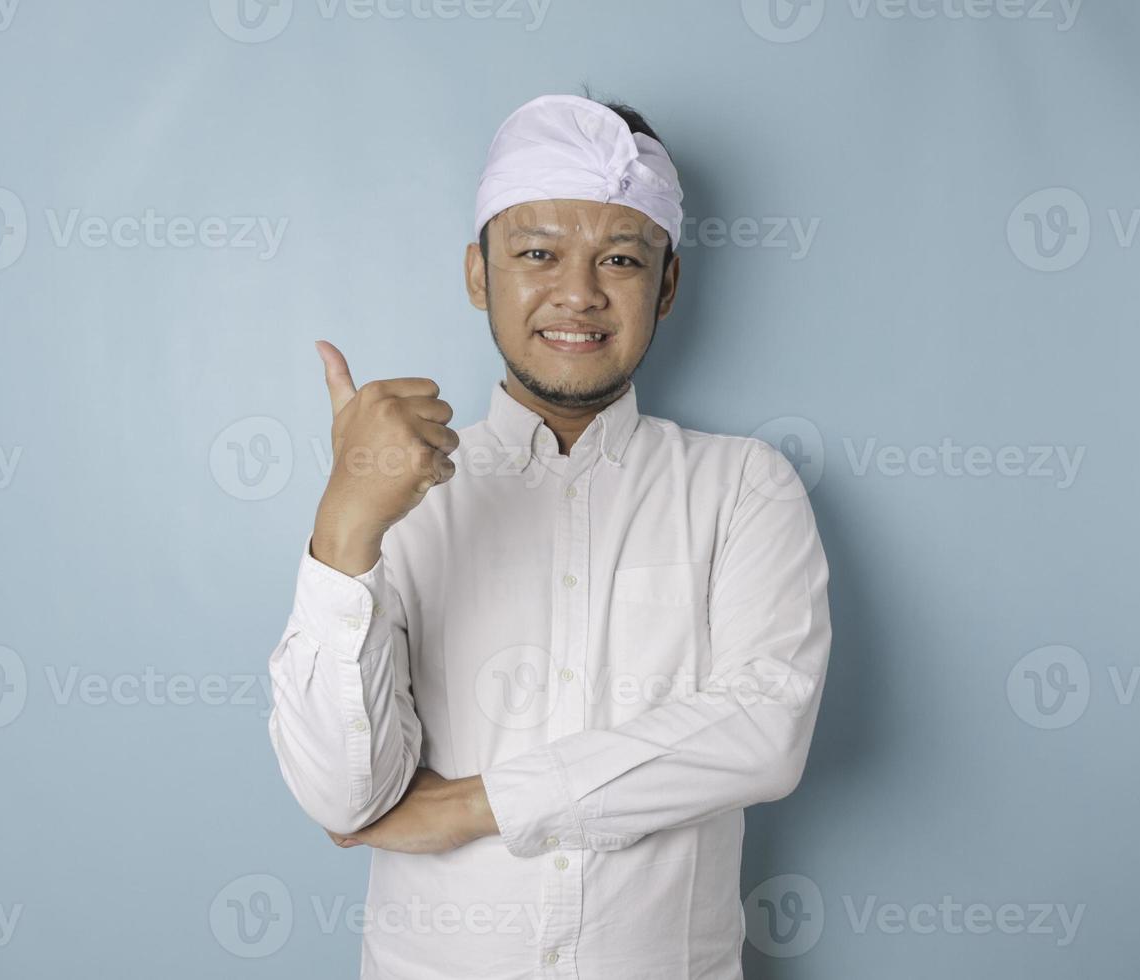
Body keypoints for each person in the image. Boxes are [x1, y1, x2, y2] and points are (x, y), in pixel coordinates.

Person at [267, 91, 833, 979]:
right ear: (478, 274)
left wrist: (477, 805)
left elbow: (764, 730)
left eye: (620, 258)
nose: (579, 293)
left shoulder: (743, 487)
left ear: (668, 285)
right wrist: (345, 530)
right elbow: (345, 796)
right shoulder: (396, 501)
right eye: (537, 253)